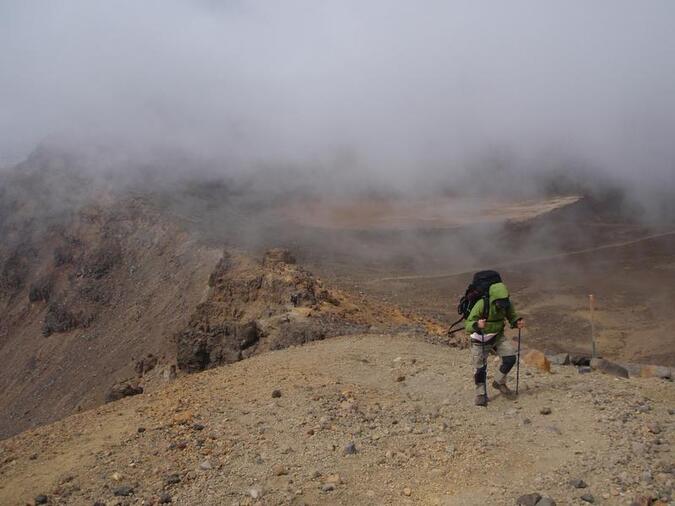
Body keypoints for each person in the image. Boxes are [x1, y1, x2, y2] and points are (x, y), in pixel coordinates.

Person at [465, 281, 524, 406]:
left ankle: (498, 382)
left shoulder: (506, 304)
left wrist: (516, 322)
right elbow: (468, 324)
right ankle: (481, 394)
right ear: (494, 299)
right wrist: (477, 325)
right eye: (500, 303)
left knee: (510, 358)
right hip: (479, 340)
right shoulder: (482, 304)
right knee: (480, 368)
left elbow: (512, 316)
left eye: (504, 303)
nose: (503, 306)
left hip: (497, 337)